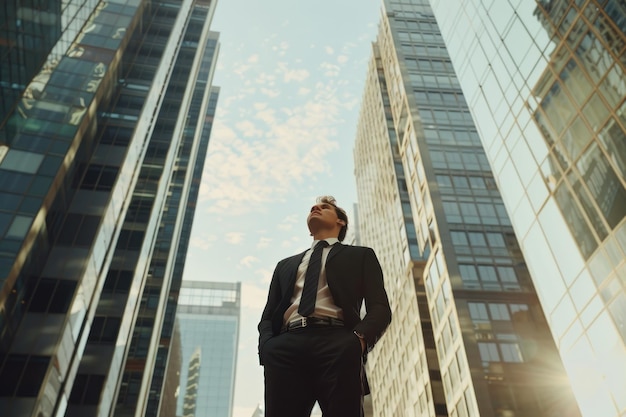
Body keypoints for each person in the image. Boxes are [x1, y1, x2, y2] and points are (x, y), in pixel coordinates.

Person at [258, 196, 392, 417]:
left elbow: (380, 308)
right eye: (313, 207)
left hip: (338, 342)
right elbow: (268, 314)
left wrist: (357, 341)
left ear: (341, 222)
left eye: (325, 207)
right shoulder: (285, 265)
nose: (315, 207)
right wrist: (267, 346)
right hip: (285, 348)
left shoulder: (361, 255)